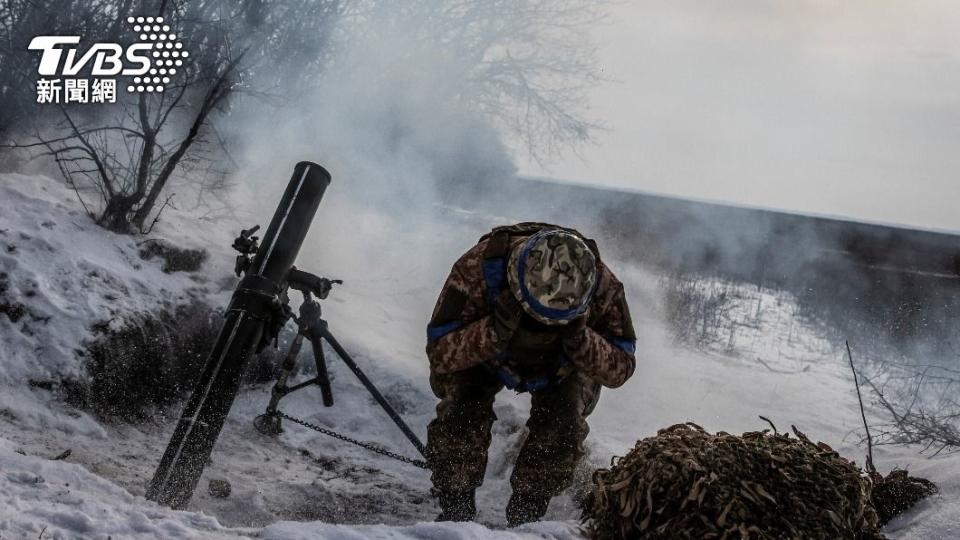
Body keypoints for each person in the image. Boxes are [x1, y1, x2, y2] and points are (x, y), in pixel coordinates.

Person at [424, 222, 637, 526]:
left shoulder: (602, 285)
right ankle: (456, 510)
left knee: (563, 424)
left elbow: (621, 368)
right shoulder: (477, 269)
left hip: (563, 365)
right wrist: (492, 332)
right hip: (487, 355)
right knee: (462, 409)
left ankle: (526, 517)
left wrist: (581, 341)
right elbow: (440, 353)